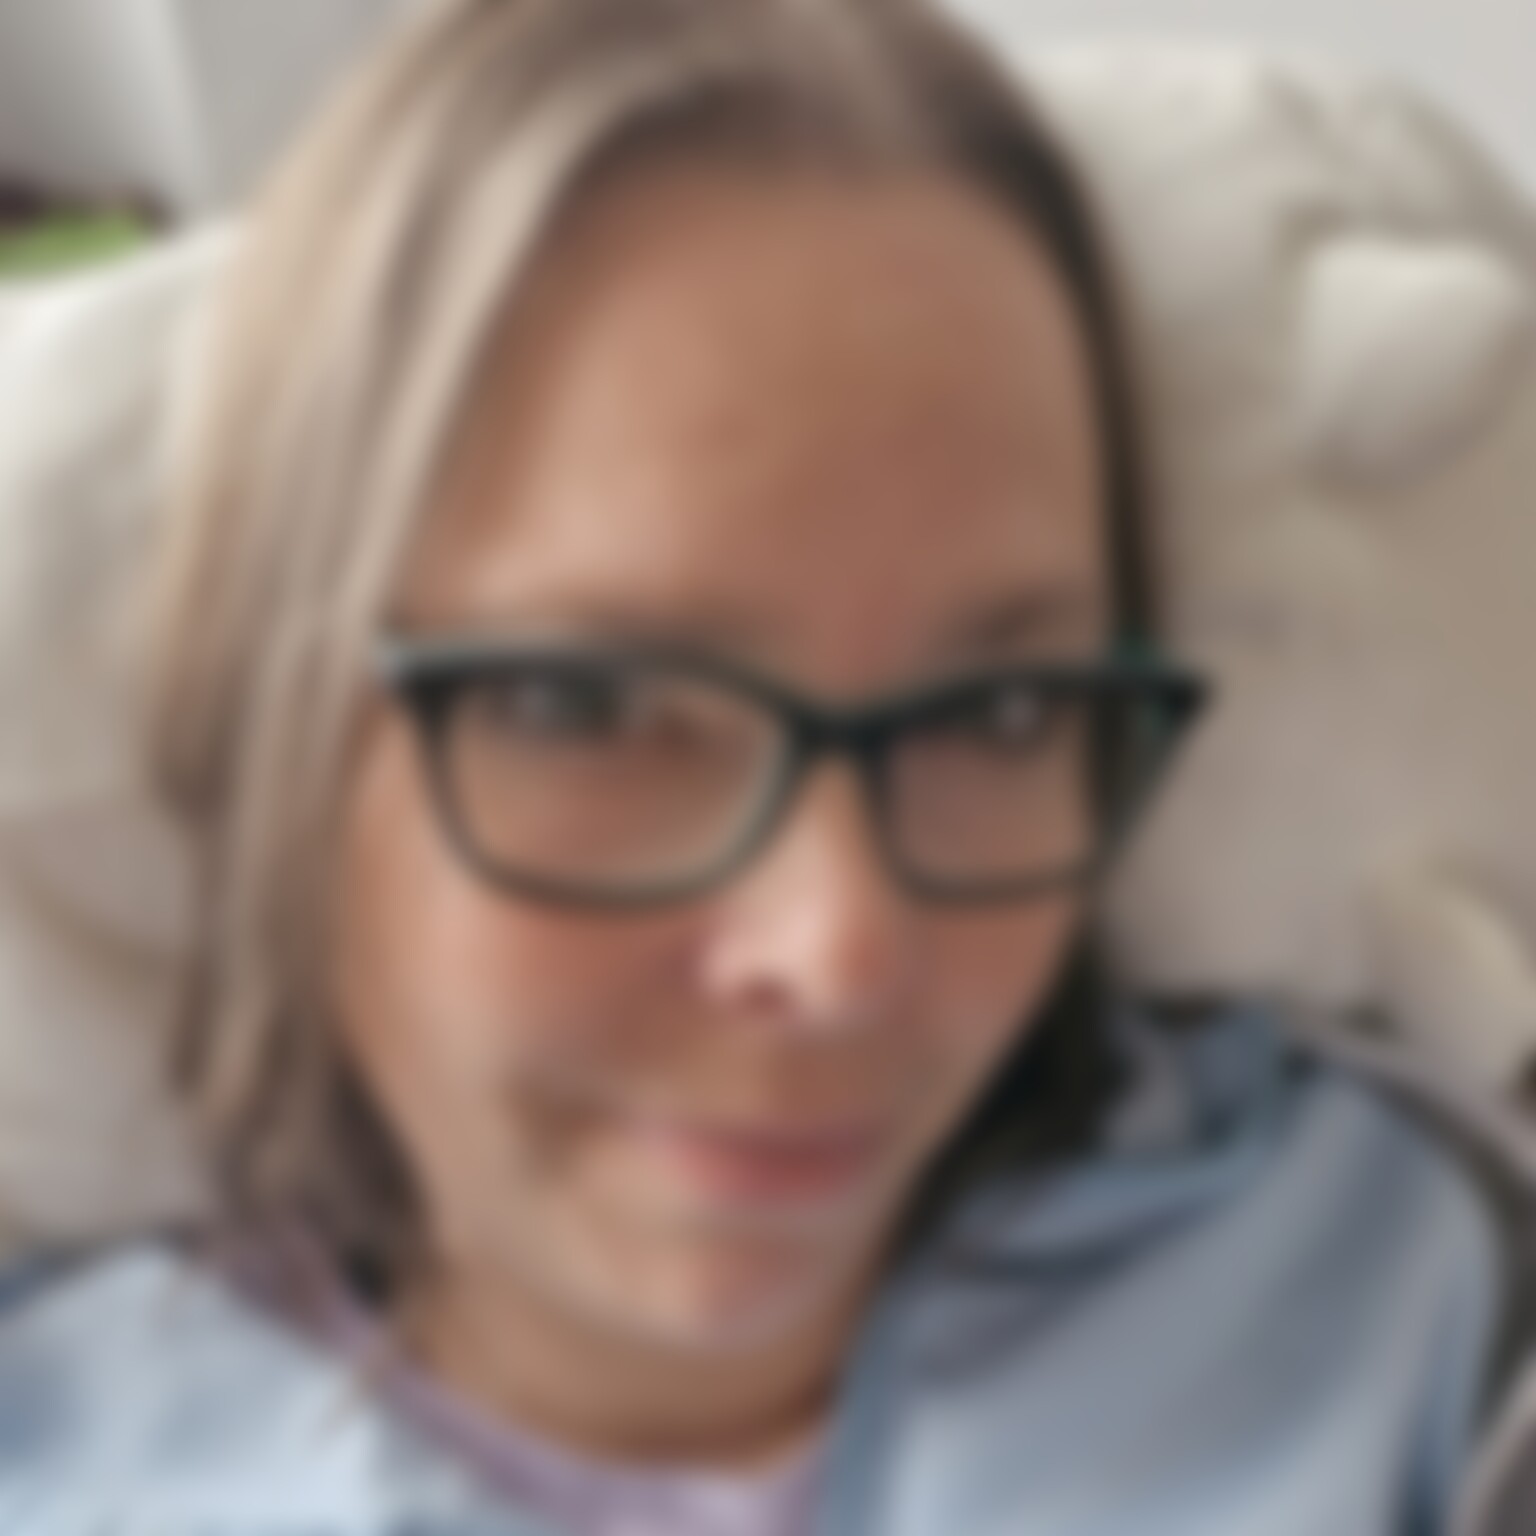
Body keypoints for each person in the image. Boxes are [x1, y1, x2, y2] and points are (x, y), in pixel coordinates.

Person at [0, 0, 1523, 1531]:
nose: (842, 955)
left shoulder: (1403, 1301)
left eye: (998, 713)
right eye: (591, 706)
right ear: (279, 728)